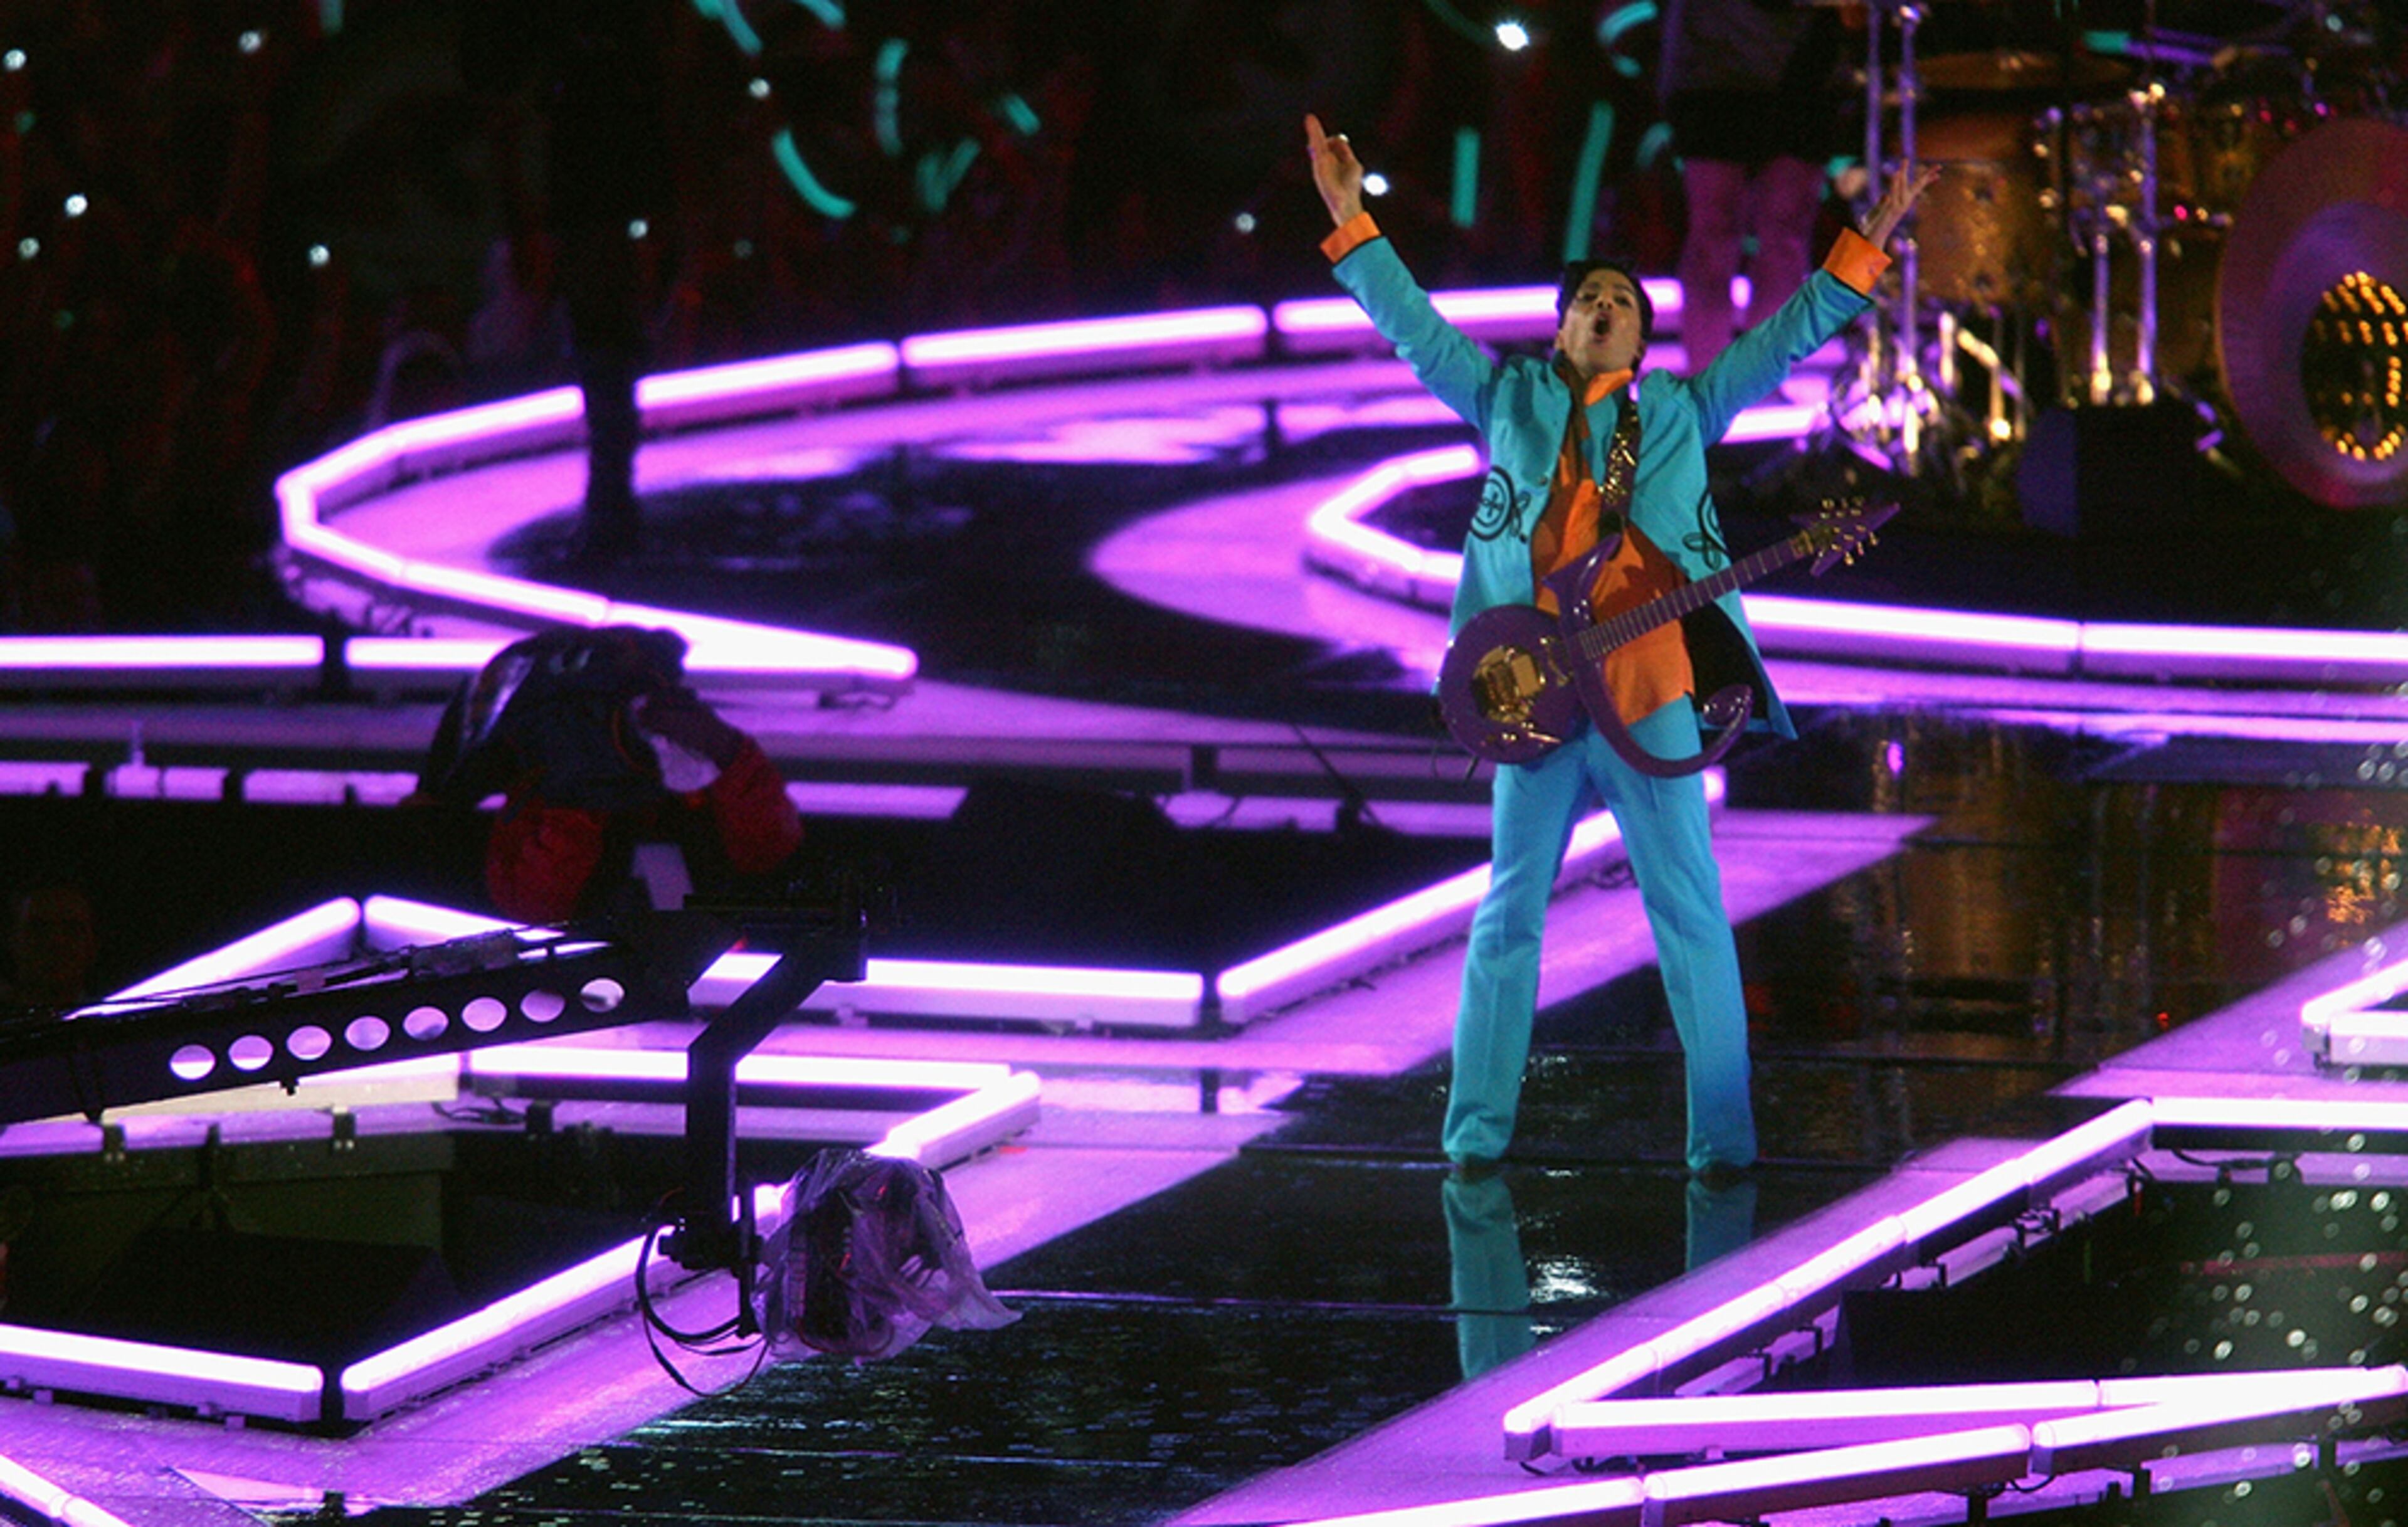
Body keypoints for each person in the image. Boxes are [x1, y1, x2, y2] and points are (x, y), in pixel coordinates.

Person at [1304, 113, 1933, 1176]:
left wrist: (1863, 246)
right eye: (1589, 299)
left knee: (1690, 914)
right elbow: (1415, 327)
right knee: (1508, 915)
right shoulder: (1506, 398)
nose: (1606, 307)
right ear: (1561, 332)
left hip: (1648, 693)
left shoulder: (1680, 411)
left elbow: (1781, 339)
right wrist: (1351, 219)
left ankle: (1724, 1143)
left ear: (1642, 342)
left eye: (1624, 302)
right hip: (1537, 696)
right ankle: (1474, 1138)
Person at [413, 625, 803, 925]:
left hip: (708, 979)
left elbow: (770, 856)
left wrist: (724, 750)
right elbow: (535, 913)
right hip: (597, 990)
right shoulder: (543, 793)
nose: (638, 716)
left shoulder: (692, 768)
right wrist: (577, 799)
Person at [1657, 0, 1850, 371]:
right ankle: (1710, 379)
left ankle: (1756, 378)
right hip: (1714, 63)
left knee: (1782, 235)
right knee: (1719, 232)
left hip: (1804, 63)